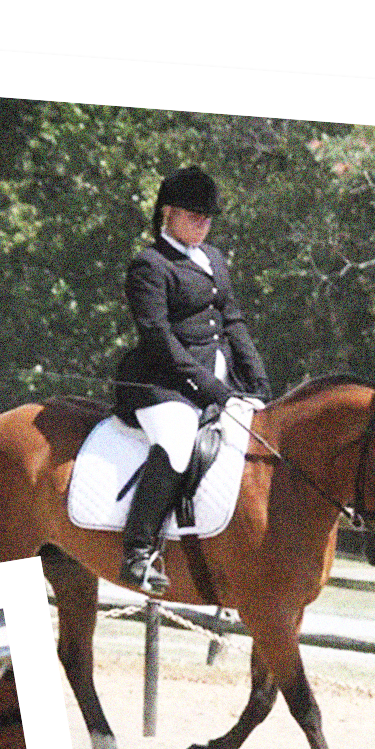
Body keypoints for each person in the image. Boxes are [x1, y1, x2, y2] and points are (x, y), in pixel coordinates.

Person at [113, 167, 274, 594]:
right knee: (178, 444)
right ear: (168, 213)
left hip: (216, 380)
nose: (202, 225)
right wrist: (214, 390)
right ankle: (138, 551)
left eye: (208, 218)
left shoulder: (214, 259)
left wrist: (257, 382)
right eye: (193, 217)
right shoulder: (149, 265)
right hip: (161, 384)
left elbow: (233, 321)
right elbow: (159, 339)